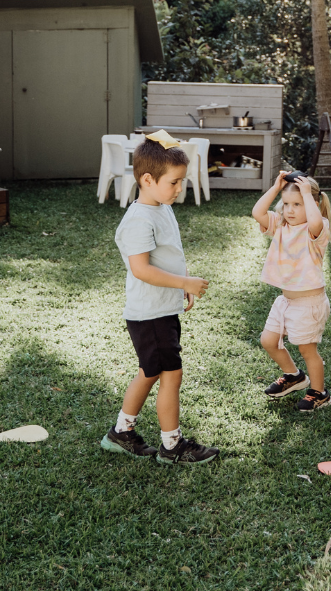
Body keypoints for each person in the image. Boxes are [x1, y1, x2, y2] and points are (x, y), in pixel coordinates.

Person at [100, 132, 219, 464]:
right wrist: (185, 281)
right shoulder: (139, 219)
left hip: (159, 310)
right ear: (148, 179)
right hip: (149, 314)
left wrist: (179, 286)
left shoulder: (160, 206)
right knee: (170, 374)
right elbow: (141, 270)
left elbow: (164, 258)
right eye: (175, 182)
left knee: (150, 371)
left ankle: (121, 432)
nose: (179, 188)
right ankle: (172, 446)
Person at [252, 171, 331, 411]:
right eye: (286, 204)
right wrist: (276, 188)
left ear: (313, 204)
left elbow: (316, 221)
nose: (290, 210)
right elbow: (257, 213)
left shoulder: (315, 230)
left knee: (308, 350)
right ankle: (294, 376)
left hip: (309, 302)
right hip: (285, 301)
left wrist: (308, 194)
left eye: (297, 204)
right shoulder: (279, 225)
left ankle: (319, 393)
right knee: (268, 341)